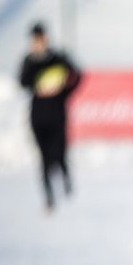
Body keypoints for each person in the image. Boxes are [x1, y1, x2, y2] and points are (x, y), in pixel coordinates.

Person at [19, 22, 83, 212]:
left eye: (41, 38)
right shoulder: (29, 61)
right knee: (44, 159)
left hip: (57, 115)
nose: (39, 42)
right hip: (38, 116)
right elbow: (23, 82)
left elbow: (77, 75)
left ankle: (67, 186)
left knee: (60, 154)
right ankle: (49, 198)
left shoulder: (58, 58)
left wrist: (64, 91)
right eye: (35, 39)